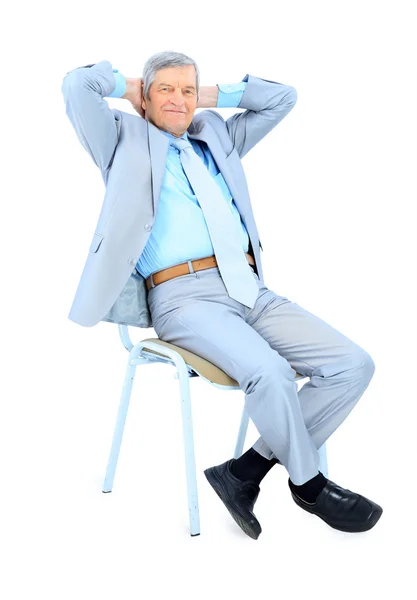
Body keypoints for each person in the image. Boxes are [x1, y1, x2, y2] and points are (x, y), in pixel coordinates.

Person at [61, 51, 382, 540]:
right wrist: (138, 91)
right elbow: (75, 86)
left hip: (250, 290)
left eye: (187, 90)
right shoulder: (119, 139)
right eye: (165, 89)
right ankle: (310, 485)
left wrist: (201, 98)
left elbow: (282, 99)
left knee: (353, 364)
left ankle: (244, 472)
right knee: (269, 372)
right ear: (144, 96)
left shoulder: (216, 135)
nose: (178, 98)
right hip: (183, 298)